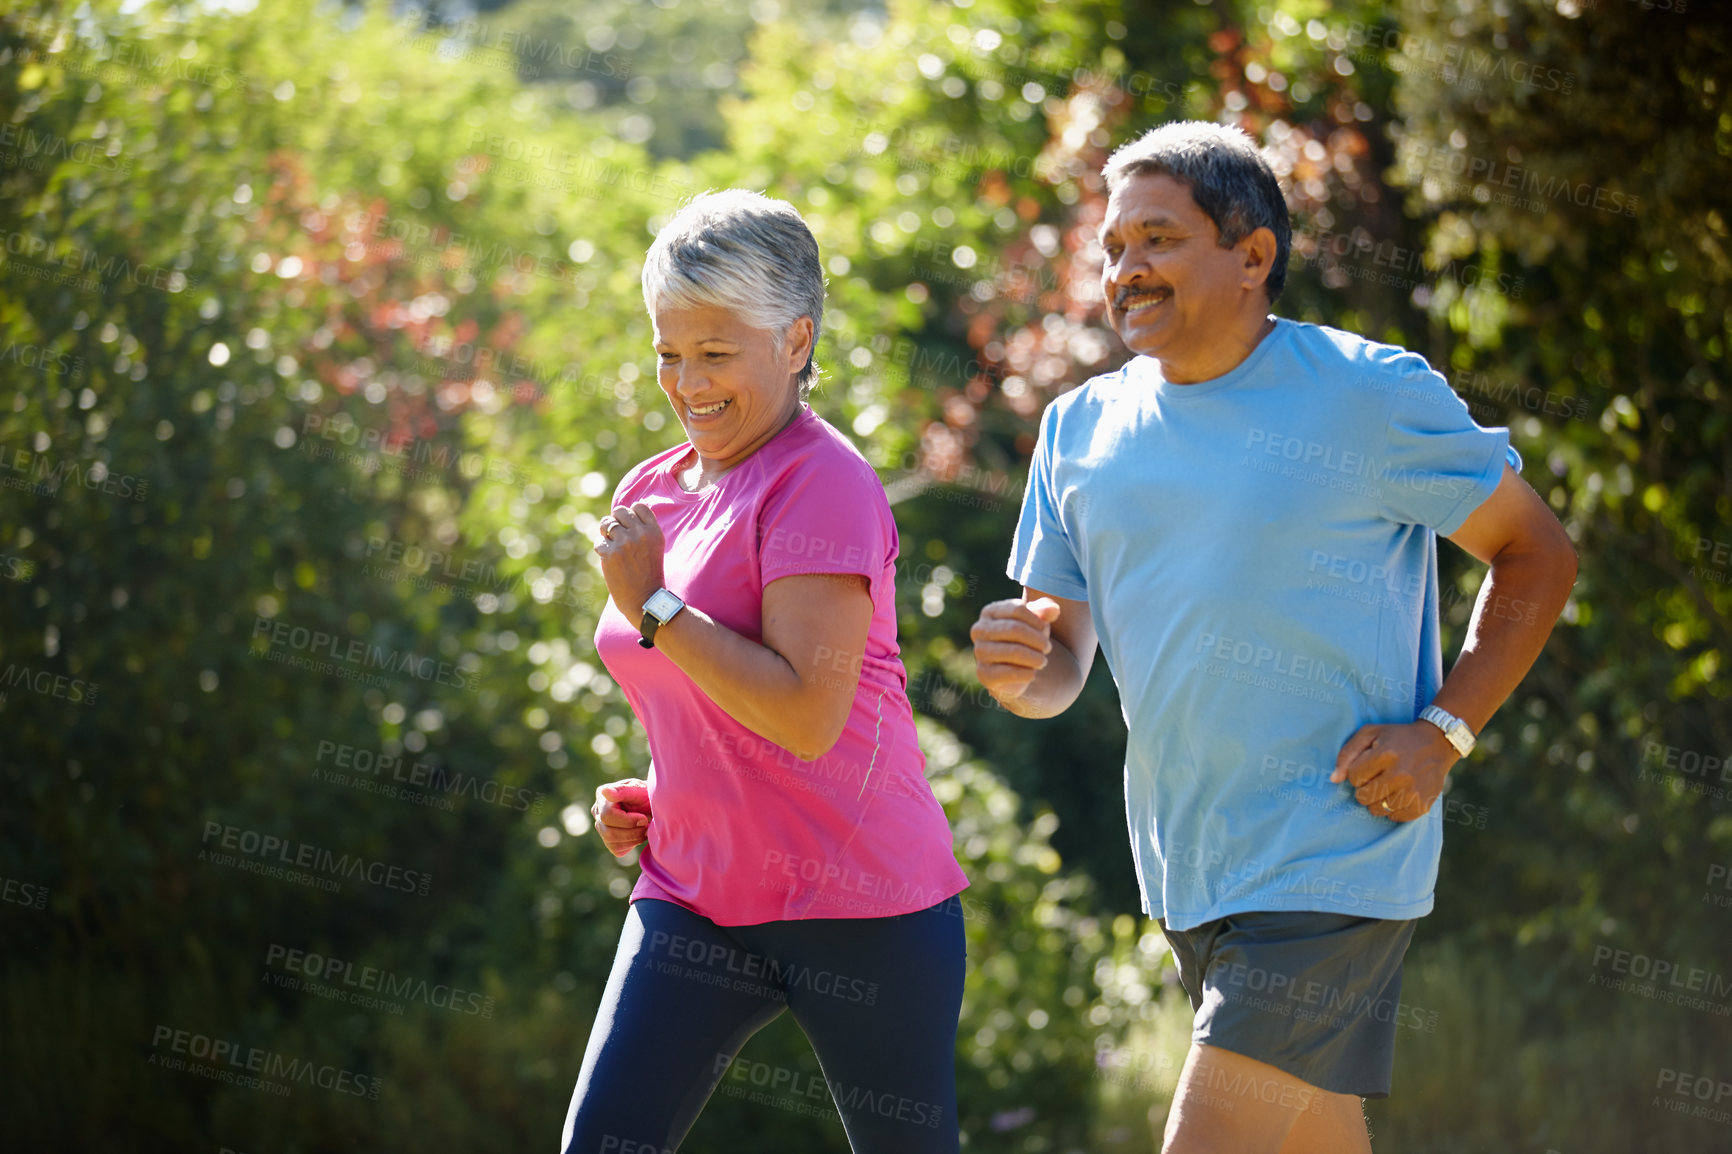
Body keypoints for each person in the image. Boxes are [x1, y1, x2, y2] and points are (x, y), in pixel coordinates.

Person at [969, 121, 1577, 1154]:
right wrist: (1019, 667)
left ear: (1252, 256)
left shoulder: (1366, 392)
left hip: (1332, 855)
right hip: (1188, 865)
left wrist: (1443, 729)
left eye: (1156, 239)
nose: (1126, 269)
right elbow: (1059, 664)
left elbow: (1535, 552)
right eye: (1113, 247)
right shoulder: (1076, 430)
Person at [563, 189, 970, 1154]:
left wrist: (657, 605)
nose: (686, 383)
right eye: (668, 351)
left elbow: (802, 716)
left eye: (716, 353)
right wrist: (659, 791)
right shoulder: (652, 491)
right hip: (693, 895)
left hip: (863, 909)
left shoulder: (822, 481)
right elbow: (696, 695)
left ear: (794, 341)